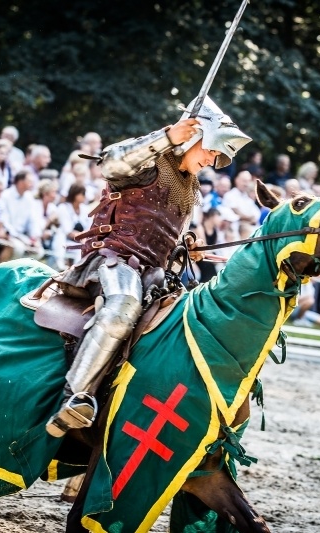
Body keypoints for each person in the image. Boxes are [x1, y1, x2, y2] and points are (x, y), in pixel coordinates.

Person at [45, 95, 251, 437]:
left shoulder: (189, 186)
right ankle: (74, 398)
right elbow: (111, 163)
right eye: (211, 150)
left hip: (155, 274)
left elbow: (161, 229)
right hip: (113, 260)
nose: (213, 161)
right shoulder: (151, 162)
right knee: (122, 306)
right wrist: (167, 137)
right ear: (192, 136)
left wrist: (185, 245)